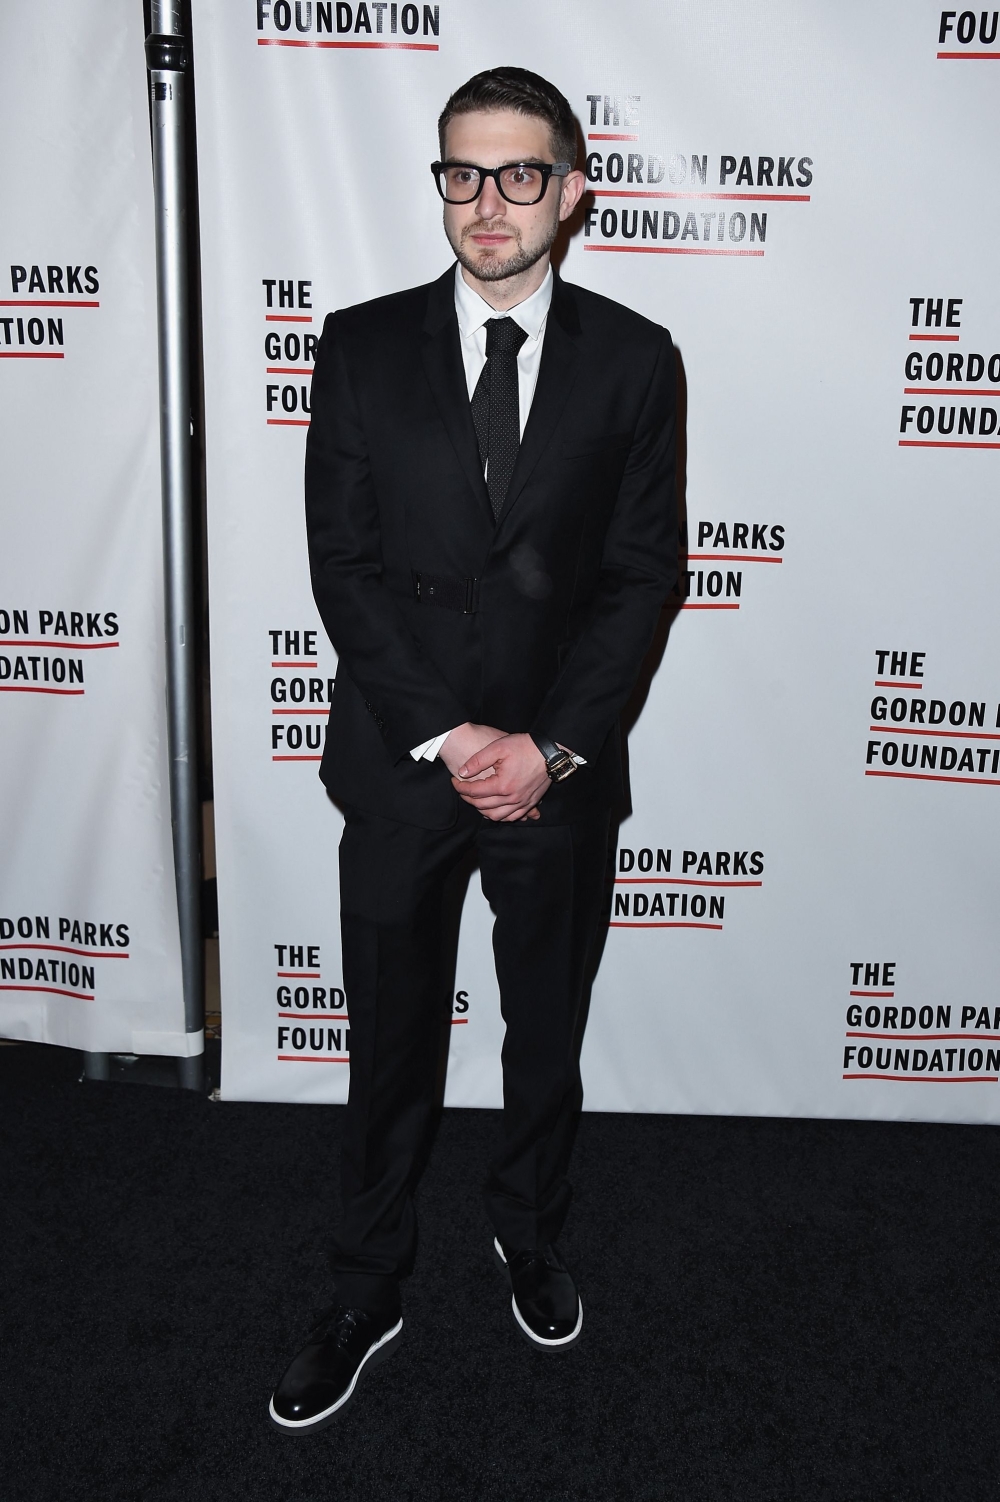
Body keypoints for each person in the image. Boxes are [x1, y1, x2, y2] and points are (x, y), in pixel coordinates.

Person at [269, 65, 677, 1433]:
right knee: (389, 1039)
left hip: (558, 780)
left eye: (516, 174)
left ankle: (533, 1231)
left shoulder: (636, 357)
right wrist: (451, 737)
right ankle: (366, 1283)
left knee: (544, 1033)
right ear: (438, 182)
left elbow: (640, 578)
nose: (484, 203)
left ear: (571, 190)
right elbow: (345, 568)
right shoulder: (358, 345)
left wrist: (550, 747)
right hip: (401, 760)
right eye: (460, 172)